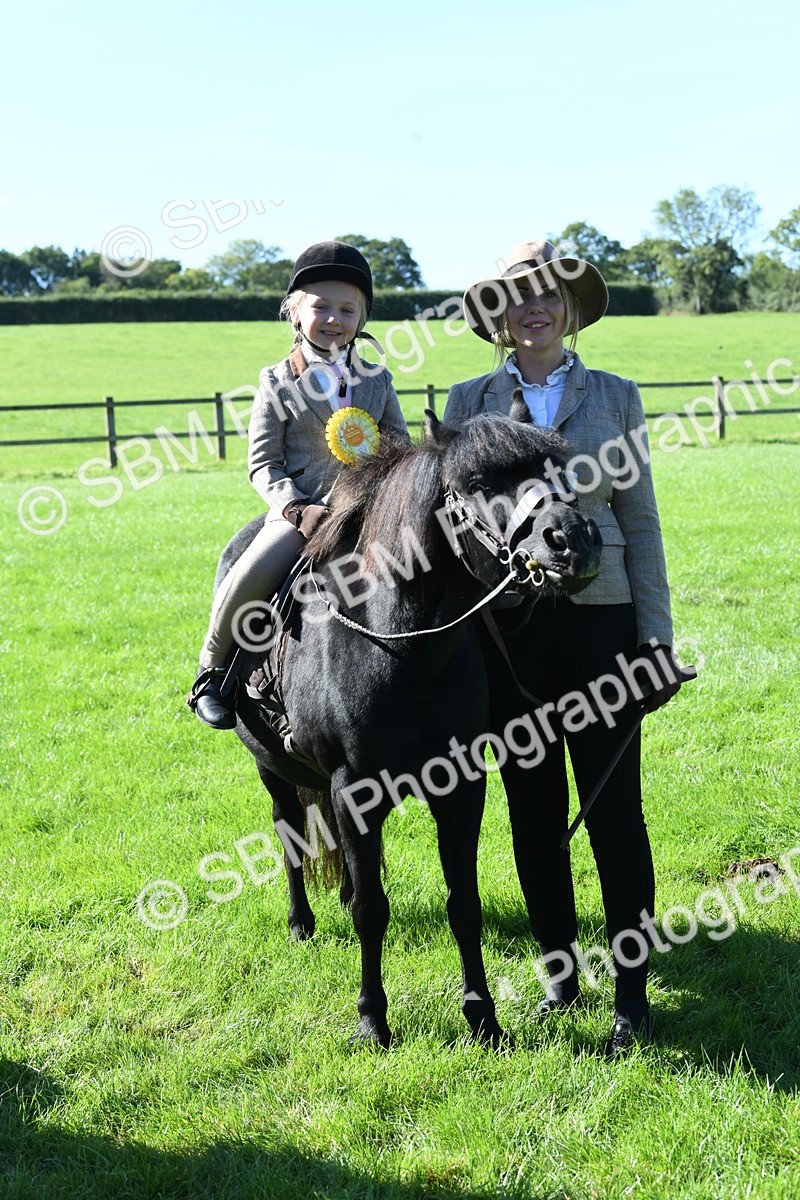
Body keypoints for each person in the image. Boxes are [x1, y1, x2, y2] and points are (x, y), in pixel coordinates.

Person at [444, 240, 682, 1056]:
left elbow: (642, 520)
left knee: (617, 814)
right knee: (532, 810)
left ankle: (631, 993)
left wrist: (655, 635)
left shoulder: (616, 396)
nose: (534, 308)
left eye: (549, 296)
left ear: (571, 310)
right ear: (499, 318)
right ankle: (558, 972)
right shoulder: (469, 399)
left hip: (603, 624)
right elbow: (454, 531)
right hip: (510, 633)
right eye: (518, 298)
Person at [188, 240, 408, 729]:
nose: (334, 319)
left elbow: (398, 445)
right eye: (321, 307)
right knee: (252, 571)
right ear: (294, 312)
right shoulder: (275, 381)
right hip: (302, 512)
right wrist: (295, 510)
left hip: (369, 508)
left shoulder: (377, 378)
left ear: (362, 317)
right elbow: (263, 463)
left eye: (347, 310)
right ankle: (212, 670)